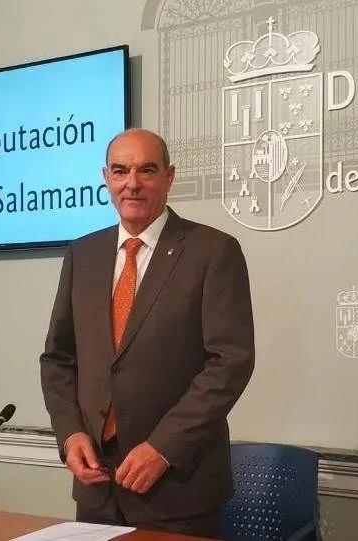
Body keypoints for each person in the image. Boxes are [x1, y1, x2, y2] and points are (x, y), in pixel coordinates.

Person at [39, 128, 255, 538]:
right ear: (106, 177)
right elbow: (59, 358)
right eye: (120, 171)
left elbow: (230, 363)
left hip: (178, 489)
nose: (131, 183)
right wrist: (70, 434)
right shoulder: (82, 254)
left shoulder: (213, 251)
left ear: (169, 177)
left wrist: (163, 448)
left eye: (146, 170)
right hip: (97, 491)